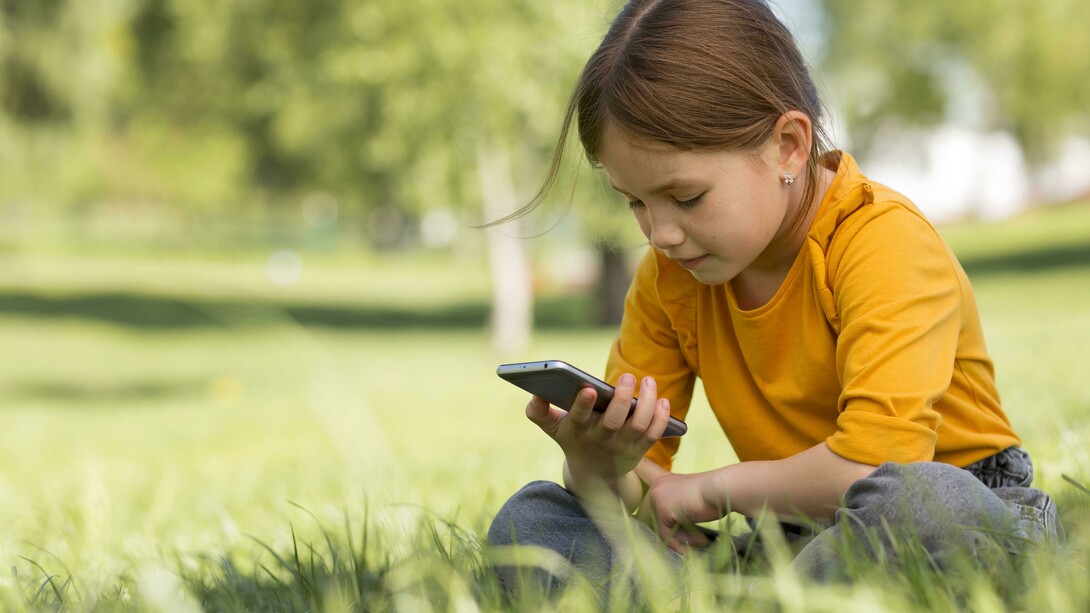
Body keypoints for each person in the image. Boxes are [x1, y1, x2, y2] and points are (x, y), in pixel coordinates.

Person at [486, 0, 1061, 596]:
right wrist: (596, 466)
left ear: (788, 146)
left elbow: (874, 464)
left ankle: (750, 595)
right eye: (635, 202)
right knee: (533, 522)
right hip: (790, 535)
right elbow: (646, 488)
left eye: (686, 198)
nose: (660, 233)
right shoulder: (670, 276)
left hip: (942, 501)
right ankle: (780, 591)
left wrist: (712, 491)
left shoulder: (882, 242)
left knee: (921, 504)